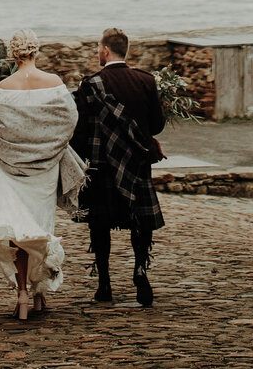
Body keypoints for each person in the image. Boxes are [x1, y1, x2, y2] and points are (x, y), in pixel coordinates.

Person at [0, 28, 86, 321]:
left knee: (18, 231)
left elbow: (4, 128)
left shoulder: (5, 87)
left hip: (13, 169)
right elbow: (70, 120)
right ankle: (39, 292)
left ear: (12, 53)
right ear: (36, 51)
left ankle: (22, 292)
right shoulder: (55, 83)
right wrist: (51, 145)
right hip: (44, 169)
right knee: (40, 227)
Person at [72, 27, 166, 307]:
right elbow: (157, 125)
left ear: (104, 50)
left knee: (99, 224)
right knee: (139, 218)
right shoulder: (146, 81)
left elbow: (81, 129)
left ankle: (104, 285)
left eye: (98, 48)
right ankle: (140, 269)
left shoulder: (91, 84)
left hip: (102, 164)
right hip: (136, 163)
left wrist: (78, 162)